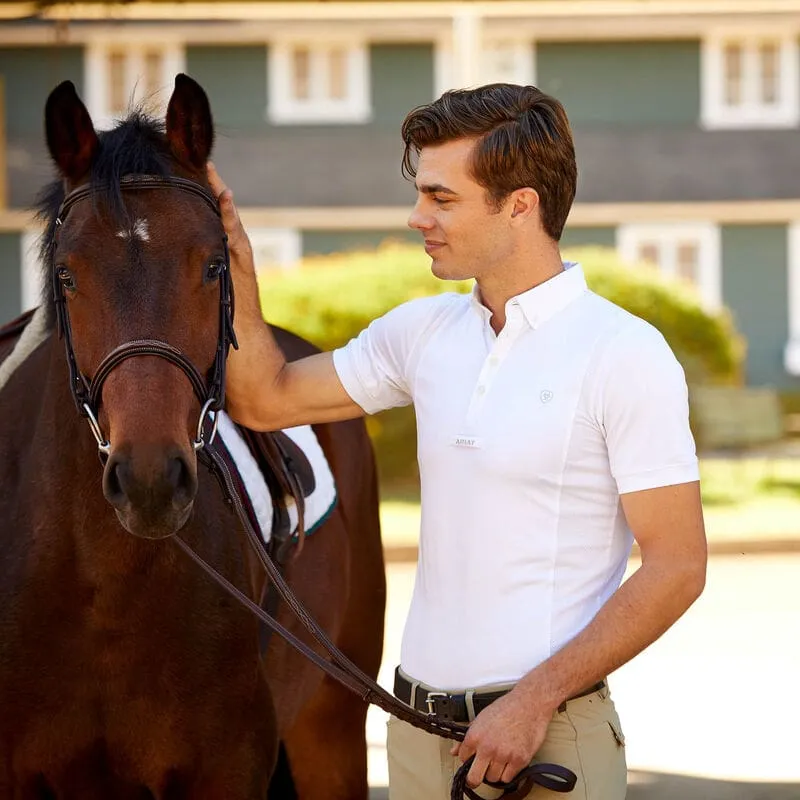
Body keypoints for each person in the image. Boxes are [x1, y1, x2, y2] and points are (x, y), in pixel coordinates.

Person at [207, 83, 707, 800]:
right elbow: (265, 399)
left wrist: (532, 702)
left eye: (442, 198)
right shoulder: (423, 333)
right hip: (415, 734)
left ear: (520, 205)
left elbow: (678, 565)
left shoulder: (624, 352)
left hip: (547, 739)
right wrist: (238, 265)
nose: (417, 218)